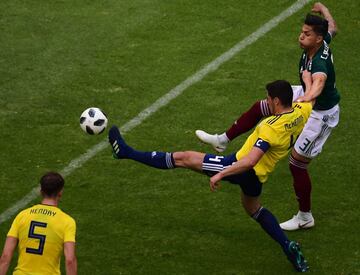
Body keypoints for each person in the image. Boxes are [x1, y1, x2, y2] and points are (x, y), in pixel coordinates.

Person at [109, 80, 311, 272]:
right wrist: (309, 78)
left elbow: (250, 161)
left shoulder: (270, 127)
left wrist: (221, 174)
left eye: (268, 99)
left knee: (183, 158)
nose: (266, 102)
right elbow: (313, 97)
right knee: (254, 209)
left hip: (240, 167)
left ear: (276, 101)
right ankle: (288, 246)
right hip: (258, 177)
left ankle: (125, 152)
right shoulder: (301, 112)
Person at [196, 2, 340, 231]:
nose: (301, 36)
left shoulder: (319, 63)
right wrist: (322, 9)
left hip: (320, 113)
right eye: (301, 31)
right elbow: (332, 27)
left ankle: (305, 217)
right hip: (305, 93)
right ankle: (223, 140)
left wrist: (305, 97)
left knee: (297, 163)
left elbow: (319, 84)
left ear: (317, 39)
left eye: (307, 34)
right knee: (263, 105)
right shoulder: (322, 42)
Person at [0, 172, 77, 275]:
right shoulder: (67, 221)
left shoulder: (22, 216)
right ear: (60, 192)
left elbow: (5, 256)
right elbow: (70, 260)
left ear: (41, 191)